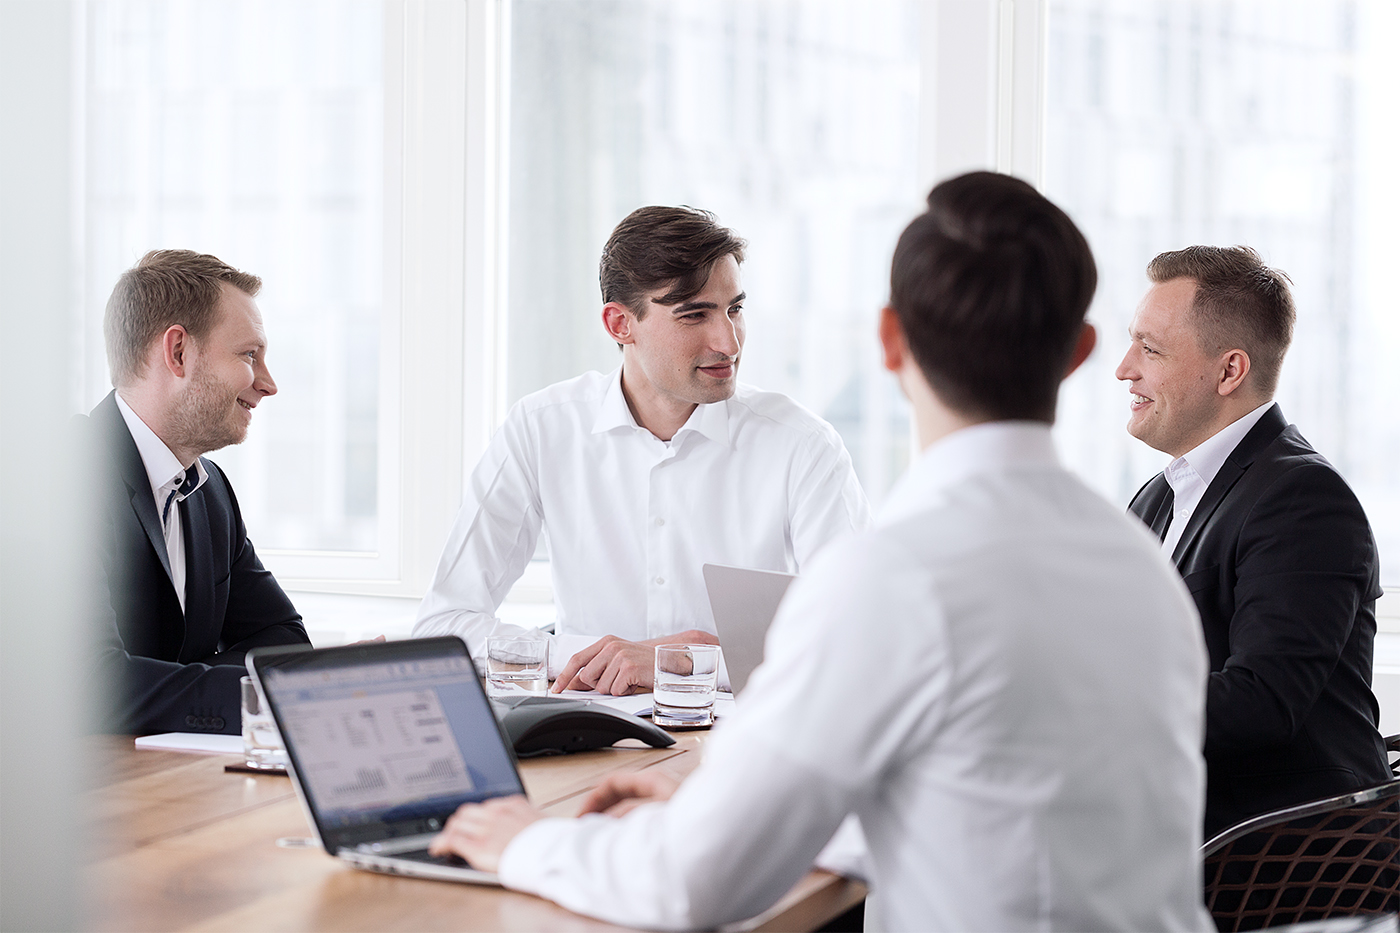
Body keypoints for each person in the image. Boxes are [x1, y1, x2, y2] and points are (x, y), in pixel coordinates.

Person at [425, 172, 1212, 932]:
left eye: (733, 309)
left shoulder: (892, 578)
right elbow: (985, 800)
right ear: (1081, 351)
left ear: (889, 339)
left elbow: (695, 884)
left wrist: (520, 841)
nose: (725, 339)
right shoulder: (1142, 566)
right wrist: (734, 808)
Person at [413, 206, 870, 693]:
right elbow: (444, 624)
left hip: (736, 744)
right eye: (695, 315)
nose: (728, 341)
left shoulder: (802, 446)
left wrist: (685, 664)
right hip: (587, 741)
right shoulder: (541, 428)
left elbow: (863, 642)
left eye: (734, 308)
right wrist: (591, 654)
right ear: (619, 324)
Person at [1117, 245, 1389, 837]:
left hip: (1277, 860)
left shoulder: (1305, 501)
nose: (1124, 369)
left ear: (1230, 371)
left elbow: (1261, 703)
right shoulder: (1158, 497)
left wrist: (1091, 711)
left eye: (1150, 349)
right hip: (1176, 829)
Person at [81, 249, 309, 735]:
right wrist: (285, 693)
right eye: (250, 355)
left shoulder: (211, 492)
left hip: (173, 780)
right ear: (178, 351)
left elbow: (283, 638)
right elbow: (90, 684)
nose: (268, 384)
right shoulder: (63, 478)